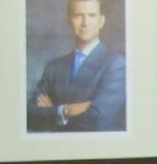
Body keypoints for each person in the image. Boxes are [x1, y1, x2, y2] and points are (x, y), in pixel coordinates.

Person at [28, 0, 126, 132]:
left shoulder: (116, 65)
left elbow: (97, 121)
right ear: (68, 20)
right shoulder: (53, 67)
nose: (85, 23)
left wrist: (54, 113)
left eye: (91, 15)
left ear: (101, 21)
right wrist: (67, 110)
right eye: (78, 15)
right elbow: (30, 116)